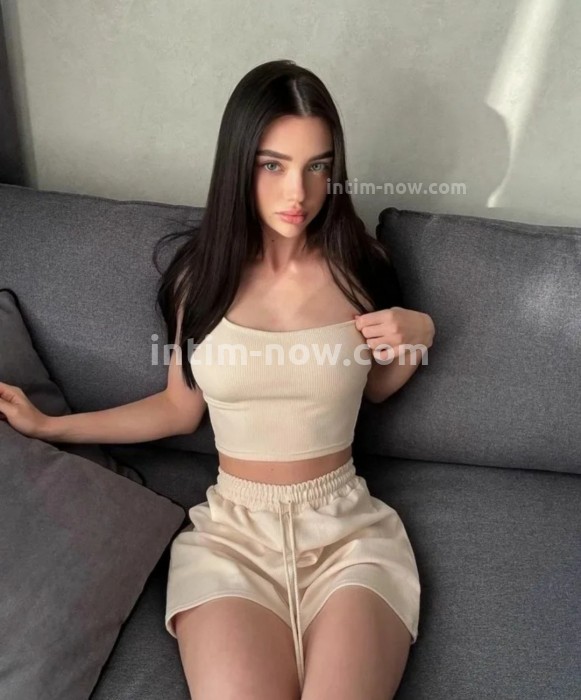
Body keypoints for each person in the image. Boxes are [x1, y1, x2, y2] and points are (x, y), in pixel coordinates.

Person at [0, 59, 434, 700]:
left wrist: (420, 333)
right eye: (273, 165)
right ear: (238, 165)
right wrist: (51, 426)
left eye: (317, 166)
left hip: (347, 533)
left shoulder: (362, 266)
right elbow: (178, 409)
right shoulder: (198, 278)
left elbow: (374, 387)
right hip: (234, 538)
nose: (298, 193)